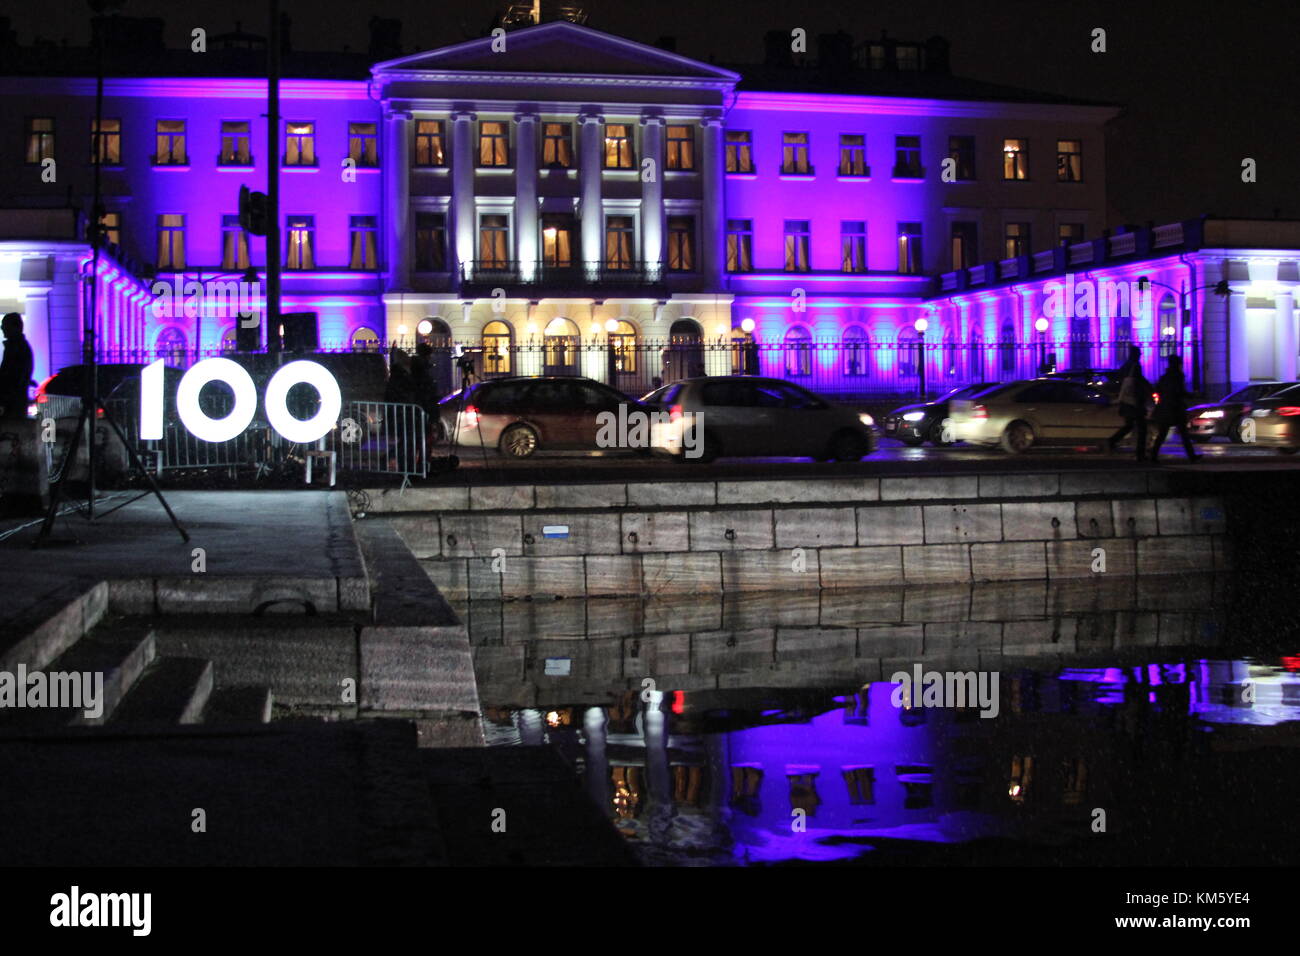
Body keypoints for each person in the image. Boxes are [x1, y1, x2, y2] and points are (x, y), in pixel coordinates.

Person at [1151, 355, 1201, 462]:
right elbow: (1180, 392)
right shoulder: (1178, 376)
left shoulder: (1164, 377)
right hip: (1176, 408)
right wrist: (1192, 395)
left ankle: (1153, 455)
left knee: (1163, 433)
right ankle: (1191, 456)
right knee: (1183, 433)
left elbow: (1157, 390)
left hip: (1165, 407)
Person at [1108, 345, 1153, 460]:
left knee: (1129, 425)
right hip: (1135, 402)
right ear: (1136, 355)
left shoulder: (1125, 366)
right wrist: (1148, 388)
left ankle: (1113, 440)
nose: (1140, 356)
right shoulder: (1135, 366)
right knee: (1142, 428)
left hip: (1126, 401)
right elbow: (1138, 382)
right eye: (1139, 354)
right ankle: (1140, 453)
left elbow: (1120, 379)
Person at [0, 312, 34, 419]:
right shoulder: (19, 347)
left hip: (12, 402)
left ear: (15, 327)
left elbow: (11, 376)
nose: (2, 328)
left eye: (4, 325)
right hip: (14, 401)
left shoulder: (16, 348)